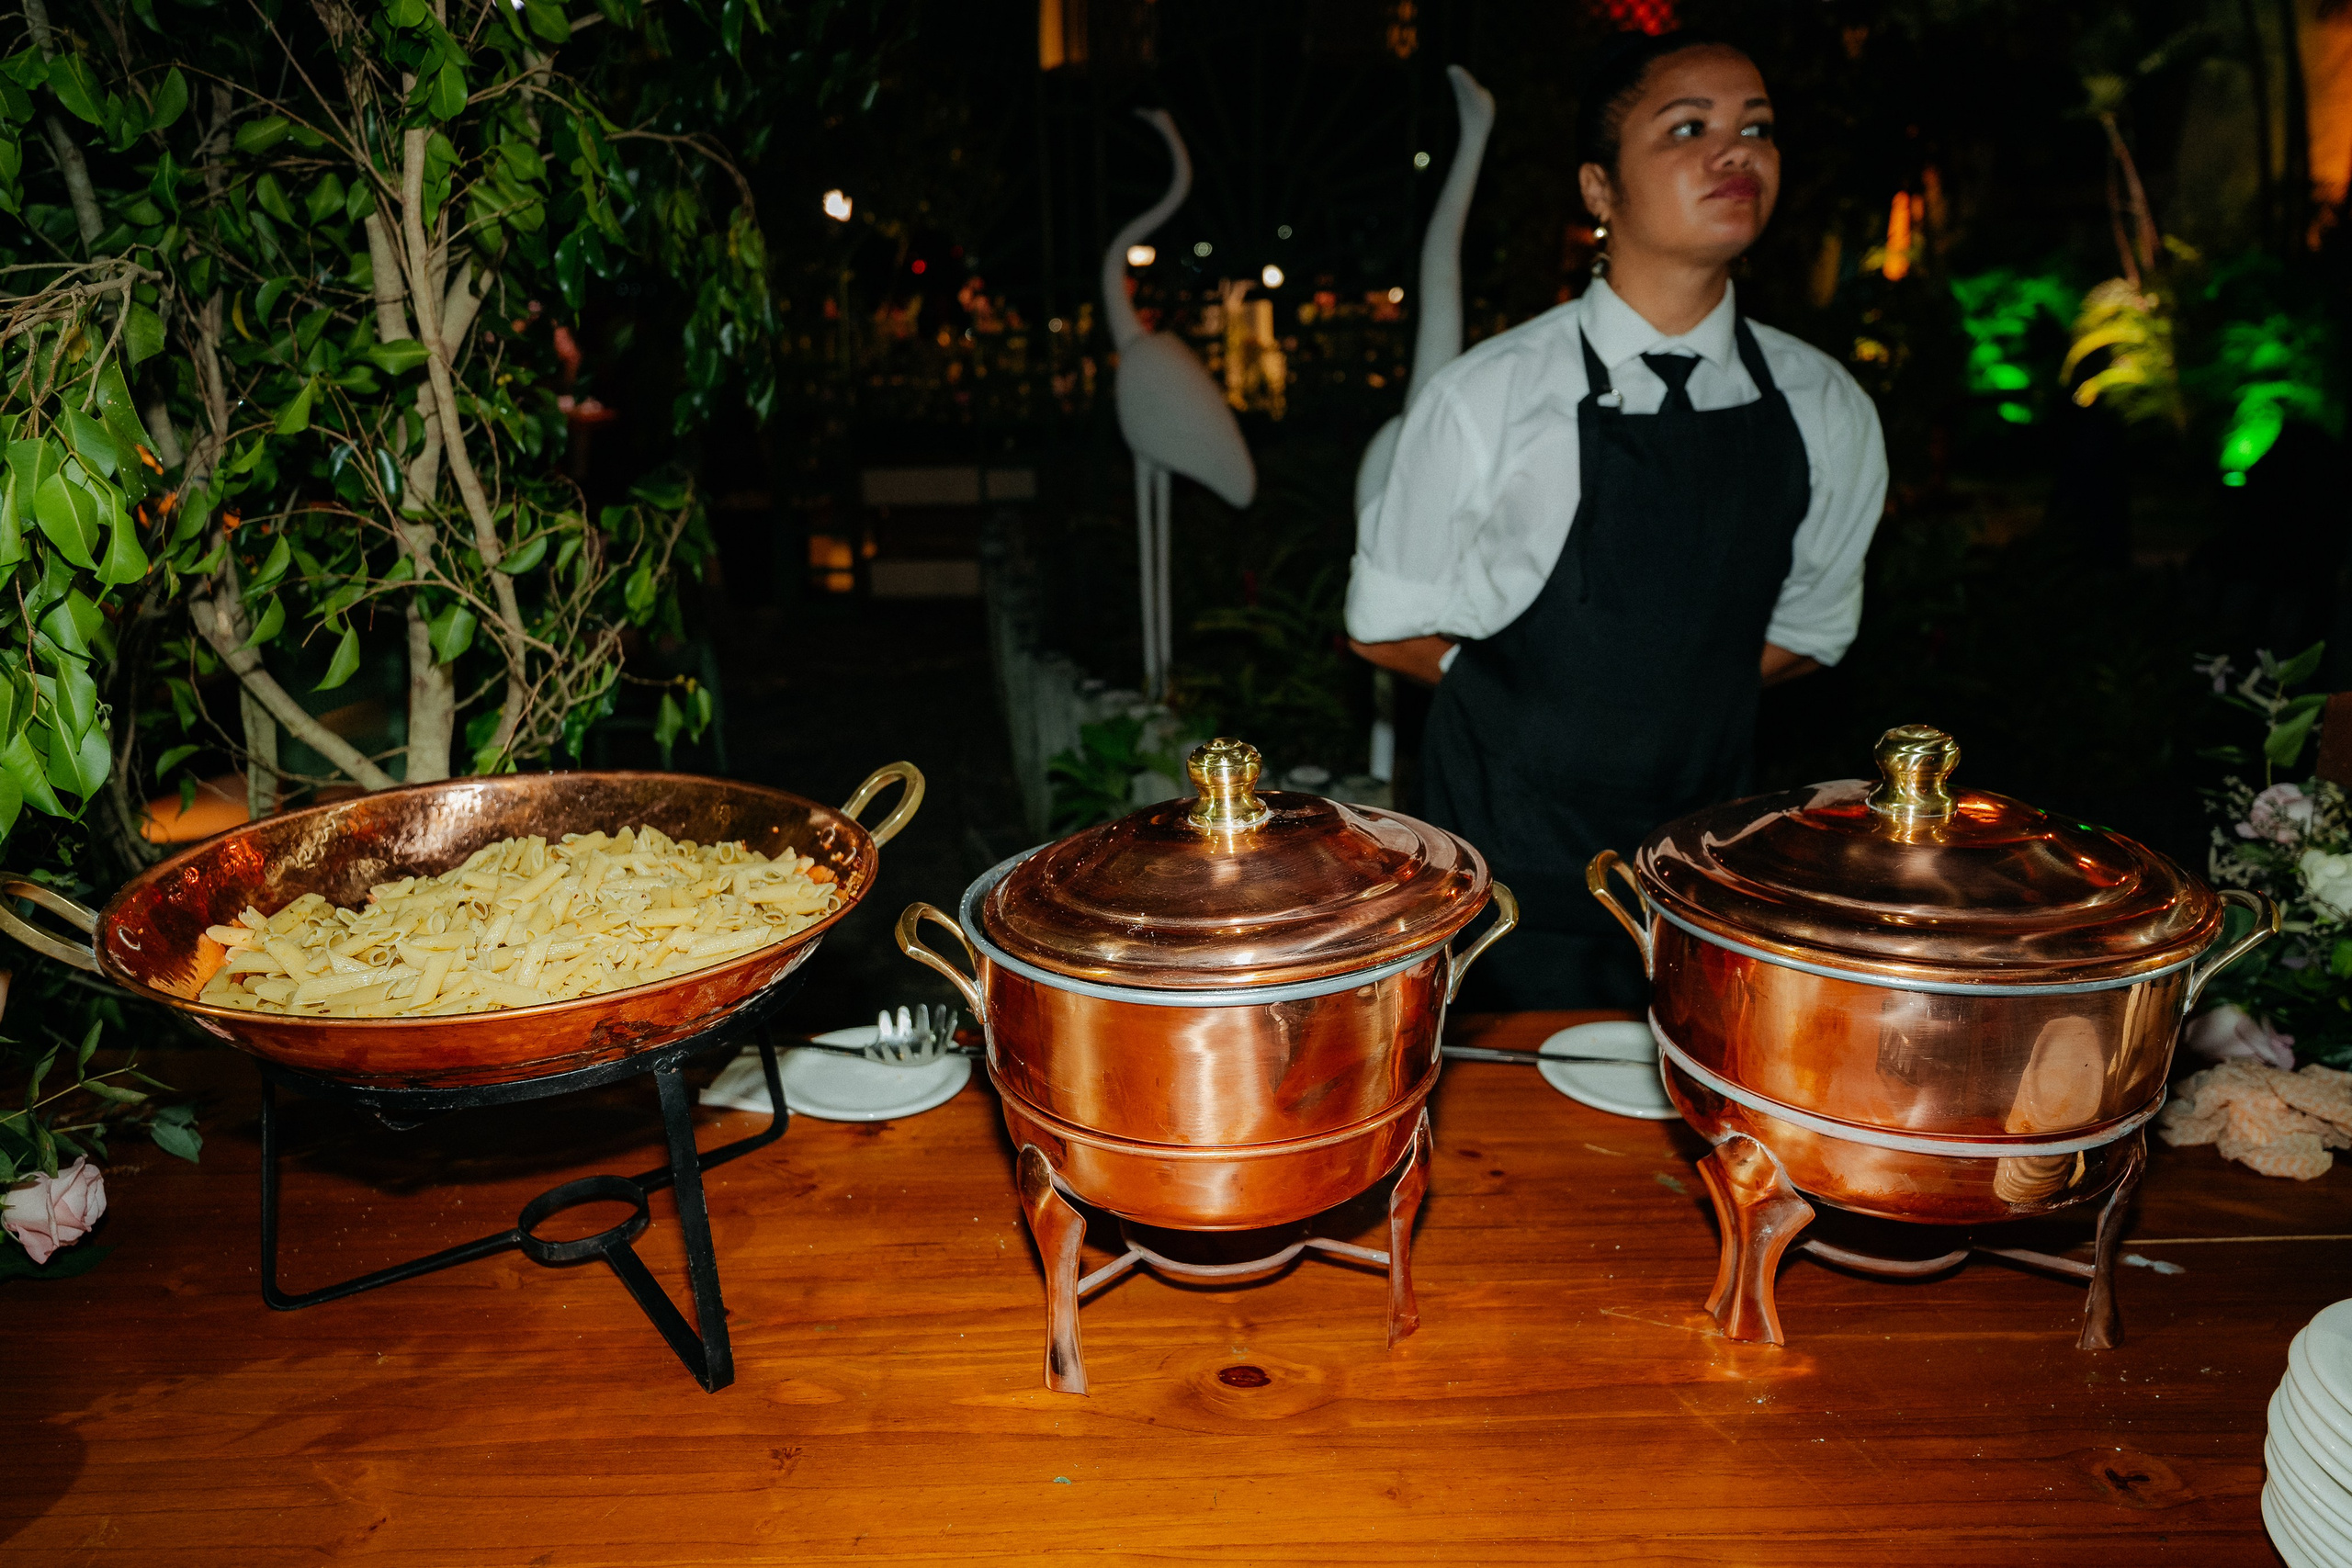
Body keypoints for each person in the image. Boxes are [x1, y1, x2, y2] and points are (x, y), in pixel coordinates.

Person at [1346, 30, 1888, 1010]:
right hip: (1503, 876)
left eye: (1755, 129)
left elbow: (1812, 630)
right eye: (1688, 128)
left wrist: (1678, 681)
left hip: (1705, 874)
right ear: (1598, 189)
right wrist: (1534, 696)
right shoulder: (1488, 397)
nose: (1735, 153)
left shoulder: (1826, 406)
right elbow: (1384, 622)